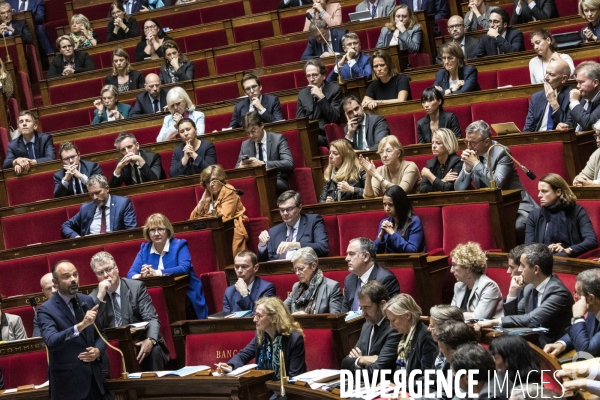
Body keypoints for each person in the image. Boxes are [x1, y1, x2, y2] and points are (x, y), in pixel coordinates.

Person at [476, 243, 574, 346]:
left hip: (553, 348)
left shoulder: (558, 293)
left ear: (536, 269)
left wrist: (493, 322)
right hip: (532, 344)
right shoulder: (529, 288)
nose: (519, 270)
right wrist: (512, 292)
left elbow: (530, 319)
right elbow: (515, 318)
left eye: (522, 266)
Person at [454, 120, 538, 240]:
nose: (468, 147)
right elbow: (458, 189)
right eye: (466, 142)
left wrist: (476, 164)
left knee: (517, 225)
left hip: (516, 205)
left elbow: (496, 184)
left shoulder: (501, 152)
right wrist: (467, 169)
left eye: (473, 143)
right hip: (491, 208)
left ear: (487, 141)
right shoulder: (473, 154)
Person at [89, 251, 170, 371]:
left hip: (137, 340)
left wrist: (150, 340)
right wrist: (100, 298)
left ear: (116, 268)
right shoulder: (93, 298)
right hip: (111, 346)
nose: (106, 275)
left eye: (109, 269)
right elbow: (92, 328)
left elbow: (152, 318)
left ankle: (156, 389)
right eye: (100, 272)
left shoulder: (136, 288)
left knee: (154, 350)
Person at [38, 261, 107, 400]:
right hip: (68, 386)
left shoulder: (87, 300)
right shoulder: (46, 309)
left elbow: (101, 335)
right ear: (55, 282)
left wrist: (98, 351)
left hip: (95, 380)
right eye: (67, 276)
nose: (73, 279)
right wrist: (80, 326)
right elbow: (51, 341)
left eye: (75, 274)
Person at [127, 213, 208, 319]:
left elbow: (184, 268)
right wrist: (142, 276)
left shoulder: (179, 245)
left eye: (160, 229)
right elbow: (130, 274)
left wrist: (157, 273)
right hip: (156, 295)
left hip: (184, 292)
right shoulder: (144, 249)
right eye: (152, 230)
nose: (156, 233)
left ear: (168, 230)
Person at [217, 297, 307, 379]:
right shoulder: (261, 335)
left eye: (259, 316)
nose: (254, 319)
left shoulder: (294, 339)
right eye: (255, 314)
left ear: (274, 318)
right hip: (263, 389)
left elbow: (295, 377)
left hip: (286, 392)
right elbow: (243, 355)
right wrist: (230, 366)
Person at [525, 173, 598, 257]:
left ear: (558, 192)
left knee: (560, 256)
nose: (539, 195)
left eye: (544, 191)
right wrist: (546, 249)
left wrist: (568, 250)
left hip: (570, 259)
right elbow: (529, 245)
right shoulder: (534, 215)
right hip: (543, 259)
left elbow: (591, 240)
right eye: (539, 191)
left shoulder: (576, 211)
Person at [340, 281, 401, 376]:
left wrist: (357, 363)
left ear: (383, 304)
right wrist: (362, 359)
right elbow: (345, 364)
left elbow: (379, 370)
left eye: (367, 308)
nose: (363, 314)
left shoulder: (394, 329)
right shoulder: (366, 326)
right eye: (361, 308)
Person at [189, 164, 248, 256]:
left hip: (229, 231)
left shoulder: (229, 191)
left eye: (214, 180)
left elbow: (224, 218)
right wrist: (202, 201)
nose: (212, 184)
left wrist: (205, 217)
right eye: (208, 182)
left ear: (221, 180)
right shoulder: (208, 196)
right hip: (211, 232)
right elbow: (192, 220)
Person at [258, 190, 329, 261]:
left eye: (289, 209)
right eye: (282, 210)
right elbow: (266, 262)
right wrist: (262, 245)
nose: (285, 213)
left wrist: (295, 245)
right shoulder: (274, 231)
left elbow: (323, 248)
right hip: (280, 270)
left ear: (299, 208)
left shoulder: (313, 221)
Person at [545, 268, 600, 358]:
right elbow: (581, 331)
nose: (575, 297)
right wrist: (562, 344)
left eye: (577, 293)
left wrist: (578, 317)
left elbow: (585, 352)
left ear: (591, 299)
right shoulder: (594, 309)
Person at [61, 174, 138, 238]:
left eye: (97, 192)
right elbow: (66, 226)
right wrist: (77, 238)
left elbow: (131, 231)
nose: (94, 197)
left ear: (107, 188)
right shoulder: (86, 208)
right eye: (91, 194)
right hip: (91, 247)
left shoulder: (123, 203)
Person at [235, 111, 293, 194]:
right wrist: (241, 167)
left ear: (262, 125)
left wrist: (262, 164)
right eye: (247, 133)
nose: (251, 135)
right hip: (254, 181)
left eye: (253, 131)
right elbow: (237, 168)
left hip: (276, 180)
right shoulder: (245, 145)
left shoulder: (278, 139)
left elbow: (288, 163)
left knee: (263, 185)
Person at [342, 237, 400, 312]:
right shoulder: (349, 279)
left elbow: (388, 315)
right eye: (347, 254)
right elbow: (344, 312)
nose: (347, 258)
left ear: (366, 256)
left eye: (351, 254)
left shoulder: (386, 279)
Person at [384, 293, 437, 373]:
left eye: (393, 320)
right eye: (389, 321)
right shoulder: (404, 337)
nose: (391, 326)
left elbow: (428, 377)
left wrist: (403, 385)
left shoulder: (426, 336)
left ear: (407, 315)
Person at [449, 242, 503, 319]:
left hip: (485, 330)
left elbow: (478, 318)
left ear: (467, 267)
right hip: (462, 328)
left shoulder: (488, 286)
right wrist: (469, 314)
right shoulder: (458, 286)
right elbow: (450, 315)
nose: (451, 270)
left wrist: (457, 315)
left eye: (454, 265)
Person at [296, 58, 342, 146]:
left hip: (326, 134)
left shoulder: (334, 89)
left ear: (323, 76)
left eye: (314, 75)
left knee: (307, 139)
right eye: (308, 76)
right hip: (309, 132)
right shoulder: (303, 94)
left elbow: (335, 118)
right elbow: (299, 121)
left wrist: (321, 97)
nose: (311, 79)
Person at [285, 247, 342, 314]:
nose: (297, 273)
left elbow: (335, 319)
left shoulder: (332, 287)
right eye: (295, 270)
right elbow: (281, 309)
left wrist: (306, 319)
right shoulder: (296, 287)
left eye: (300, 269)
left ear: (313, 266)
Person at [523, 56, 573, 132]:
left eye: (551, 74)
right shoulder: (536, 97)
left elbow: (568, 127)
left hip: (557, 139)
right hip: (538, 139)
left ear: (563, 79)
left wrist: (555, 105)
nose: (546, 77)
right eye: (546, 73)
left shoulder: (572, 96)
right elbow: (528, 129)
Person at [374, 185, 425, 254]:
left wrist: (392, 233)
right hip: (390, 263)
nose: (386, 209)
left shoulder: (414, 222)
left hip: (410, 263)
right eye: (384, 204)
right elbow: (375, 252)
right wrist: (381, 236)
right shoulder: (385, 222)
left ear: (400, 204)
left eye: (391, 205)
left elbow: (413, 250)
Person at [558, 61, 600, 132]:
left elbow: (588, 124)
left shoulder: (576, 100)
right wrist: (564, 127)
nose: (577, 86)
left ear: (595, 83)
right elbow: (570, 122)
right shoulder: (582, 98)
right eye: (577, 82)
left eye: (581, 82)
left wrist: (574, 102)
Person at [420, 128, 463, 194]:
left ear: (448, 145)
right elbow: (423, 188)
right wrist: (442, 181)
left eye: (438, 143)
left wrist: (429, 175)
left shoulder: (457, 162)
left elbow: (448, 188)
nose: (433, 146)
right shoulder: (431, 163)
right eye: (432, 143)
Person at [573, 122, 600, 186]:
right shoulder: (597, 154)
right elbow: (581, 176)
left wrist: (592, 184)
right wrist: (579, 181)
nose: (597, 140)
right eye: (597, 136)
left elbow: (590, 184)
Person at [33, 272, 56, 337]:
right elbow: (37, 338)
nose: (54, 291)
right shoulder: (40, 311)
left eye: (55, 286)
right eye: (49, 289)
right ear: (44, 292)